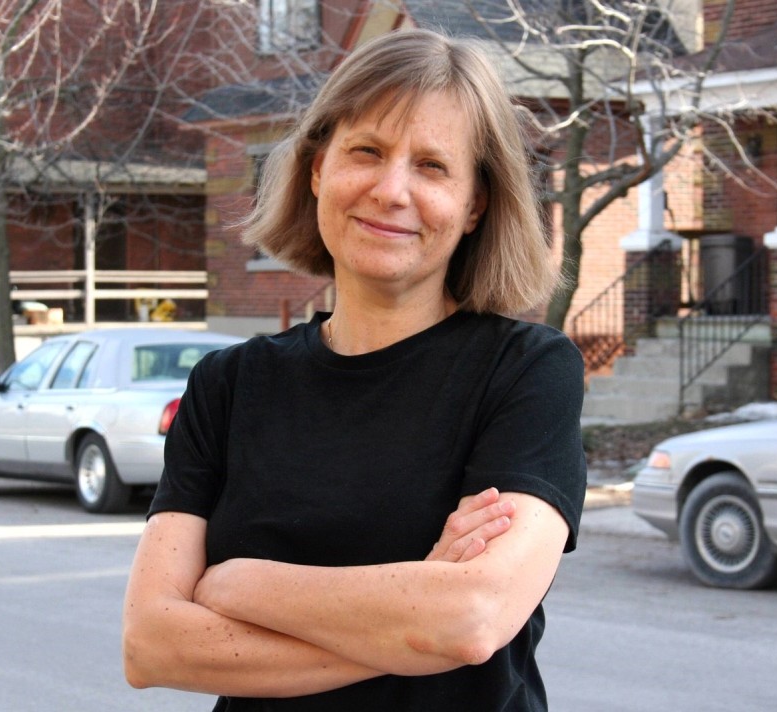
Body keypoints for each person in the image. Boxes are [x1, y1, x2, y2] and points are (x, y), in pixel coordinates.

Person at [122, 27, 587, 711]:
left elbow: (471, 618)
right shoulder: (228, 385)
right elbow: (151, 646)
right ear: (317, 170)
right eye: (366, 151)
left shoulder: (526, 372)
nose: (392, 190)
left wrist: (240, 584)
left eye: (432, 166)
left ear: (475, 205)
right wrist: (410, 621)